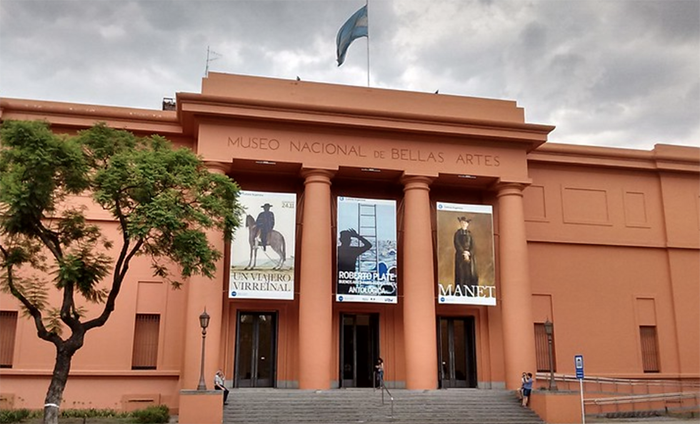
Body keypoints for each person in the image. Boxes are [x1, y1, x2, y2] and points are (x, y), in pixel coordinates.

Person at [453, 216, 478, 287]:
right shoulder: (457, 233)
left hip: (469, 256)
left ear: (467, 224)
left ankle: (469, 290)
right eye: (462, 223)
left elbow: (473, 245)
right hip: (460, 256)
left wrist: (469, 253)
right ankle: (460, 290)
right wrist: (463, 252)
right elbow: (457, 243)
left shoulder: (470, 234)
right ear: (460, 224)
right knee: (461, 273)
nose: (464, 224)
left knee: (470, 273)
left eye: (465, 223)